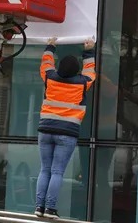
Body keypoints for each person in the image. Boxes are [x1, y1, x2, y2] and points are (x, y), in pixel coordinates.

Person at [34, 36, 96, 219]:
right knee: (57, 171)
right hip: (67, 134)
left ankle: (39, 207)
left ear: (59, 67)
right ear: (76, 70)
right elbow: (91, 72)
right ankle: (50, 208)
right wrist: (89, 50)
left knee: (44, 170)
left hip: (45, 130)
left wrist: (50, 46)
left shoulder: (50, 78)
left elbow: (46, 63)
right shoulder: (81, 83)